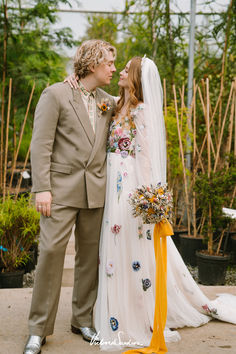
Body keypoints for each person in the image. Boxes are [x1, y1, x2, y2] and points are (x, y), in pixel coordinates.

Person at [66, 56, 236, 352]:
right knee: (112, 244)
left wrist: (150, 197)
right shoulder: (117, 104)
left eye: (124, 69)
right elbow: (89, 92)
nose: (118, 71)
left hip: (129, 185)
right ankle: (112, 303)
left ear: (134, 77)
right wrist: (73, 80)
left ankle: (134, 309)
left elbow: (145, 156)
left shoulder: (142, 111)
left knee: (129, 244)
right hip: (110, 181)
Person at [23, 39, 117, 354]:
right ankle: (38, 329)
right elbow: (41, 145)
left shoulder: (109, 101)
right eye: (109, 64)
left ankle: (82, 320)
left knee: (89, 259)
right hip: (59, 192)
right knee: (50, 253)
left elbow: (137, 102)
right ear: (92, 65)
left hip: (96, 193)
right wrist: (42, 189)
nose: (113, 69)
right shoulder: (56, 94)